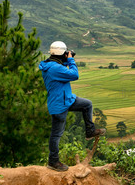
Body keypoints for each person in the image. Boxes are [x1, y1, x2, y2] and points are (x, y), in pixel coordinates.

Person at [39, 41, 106, 172]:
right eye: (65, 52)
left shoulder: (50, 65)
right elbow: (74, 75)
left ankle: (90, 131)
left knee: (87, 104)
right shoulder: (55, 68)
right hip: (59, 105)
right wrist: (70, 60)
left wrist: (66, 58)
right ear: (61, 53)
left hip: (66, 100)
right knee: (56, 134)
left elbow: (59, 66)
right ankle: (53, 161)